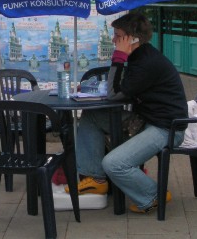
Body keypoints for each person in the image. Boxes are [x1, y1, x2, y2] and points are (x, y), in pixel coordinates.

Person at [68, 12, 188, 213]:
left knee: (114, 163)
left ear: (132, 39)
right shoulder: (141, 56)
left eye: (117, 35)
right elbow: (119, 88)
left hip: (166, 128)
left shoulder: (146, 64)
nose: (113, 39)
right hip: (146, 119)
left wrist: (118, 57)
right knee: (92, 116)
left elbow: (114, 95)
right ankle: (94, 178)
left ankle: (153, 195)